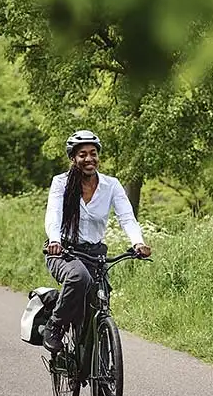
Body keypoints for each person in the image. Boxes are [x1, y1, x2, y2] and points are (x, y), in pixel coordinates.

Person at [42, 129, 151, 353]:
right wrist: (55, 240)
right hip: (64, 252)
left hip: (95, 255)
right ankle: (55, 325)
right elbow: (54, 215)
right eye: (82, 155)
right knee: (79, 278)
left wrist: (138, 242)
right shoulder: (61, 183)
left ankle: (100, 374)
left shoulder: (111, 186)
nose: (89, 159)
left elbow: (127, 218)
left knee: (98, 308)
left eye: (93, 153)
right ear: (73, 158)